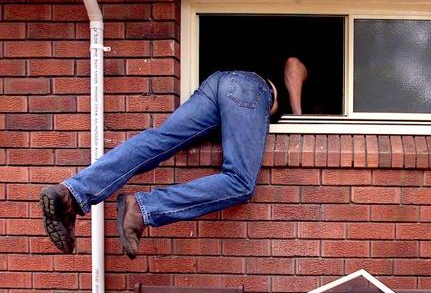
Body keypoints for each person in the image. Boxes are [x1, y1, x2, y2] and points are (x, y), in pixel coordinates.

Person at [41, 63, 308, 259]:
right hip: (248, 88)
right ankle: (142, 207)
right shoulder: (268, 84)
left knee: (160, 140)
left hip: (214, 84)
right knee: (240, 182)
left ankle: (71, 194)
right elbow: (294, 65)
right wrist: (299, 114)